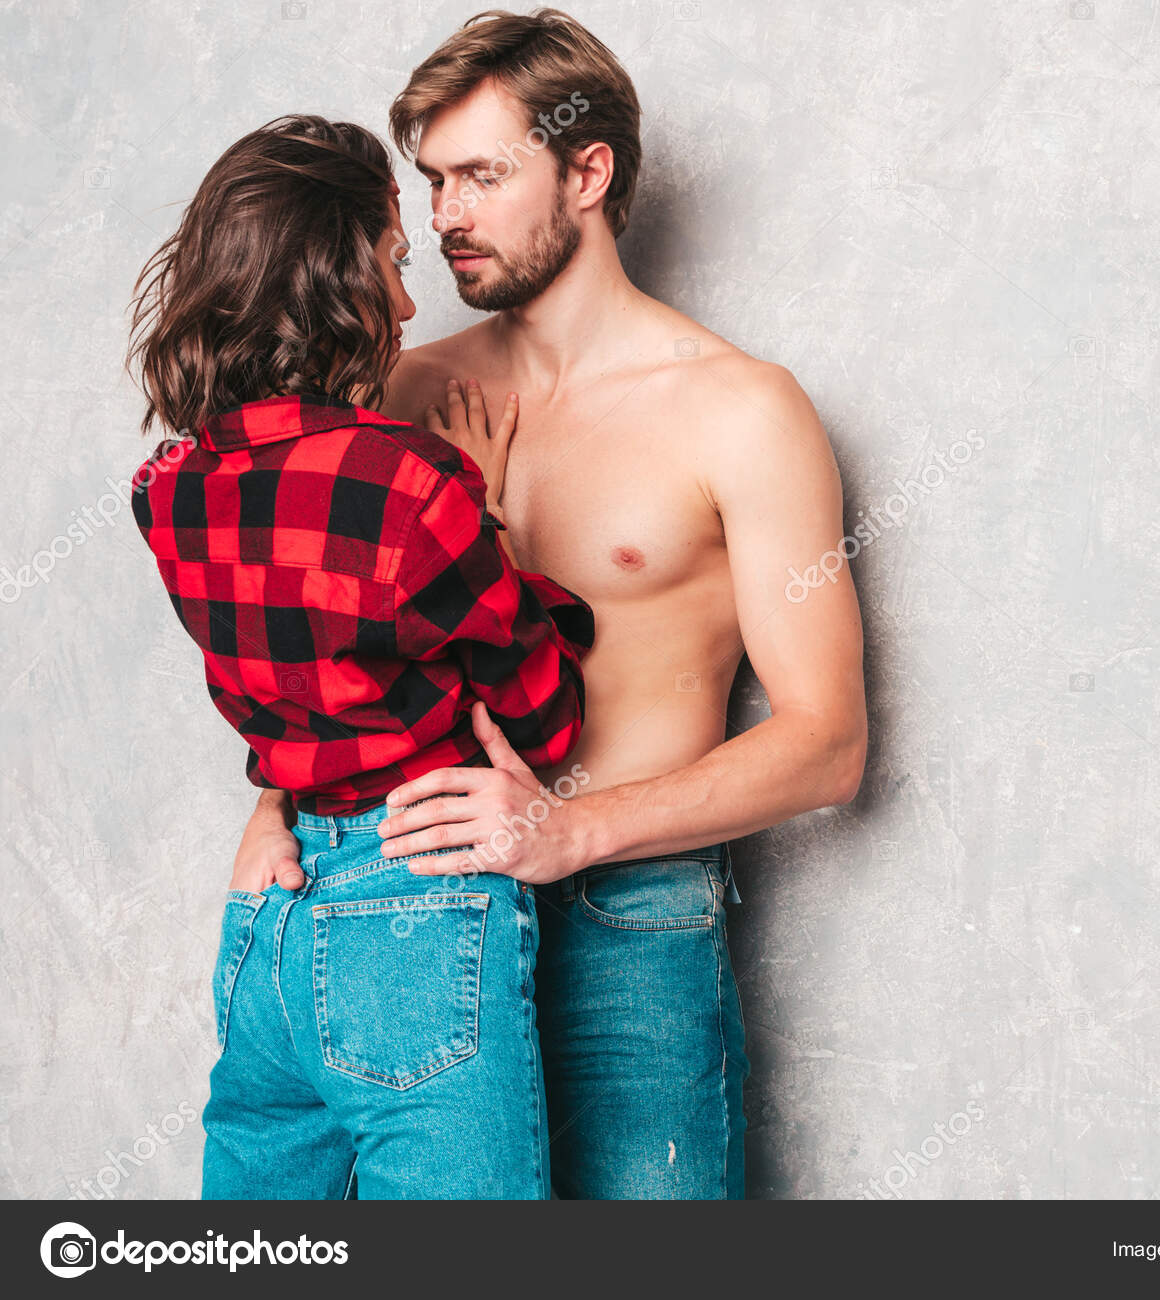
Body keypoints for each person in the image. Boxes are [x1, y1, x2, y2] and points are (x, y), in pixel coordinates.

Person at [233, 8, 869, 1200]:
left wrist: (571, 831)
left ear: (589, 171)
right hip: (409, 911)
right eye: (433, 180)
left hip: (628, 917)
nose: (445, 218)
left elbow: (825, 742)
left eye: (481, 174)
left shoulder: (738, 409)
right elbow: (315, 633)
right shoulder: (405, 389)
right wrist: (277, 809)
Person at [127, 114, 592, 1199]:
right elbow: (546, 722)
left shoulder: (167, 491)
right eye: (390, 260)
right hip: (413, 913)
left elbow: (297, 673)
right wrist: (490, 519)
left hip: (267, 918)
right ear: (337, 278)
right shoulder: (415, 482)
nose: (406, 299)